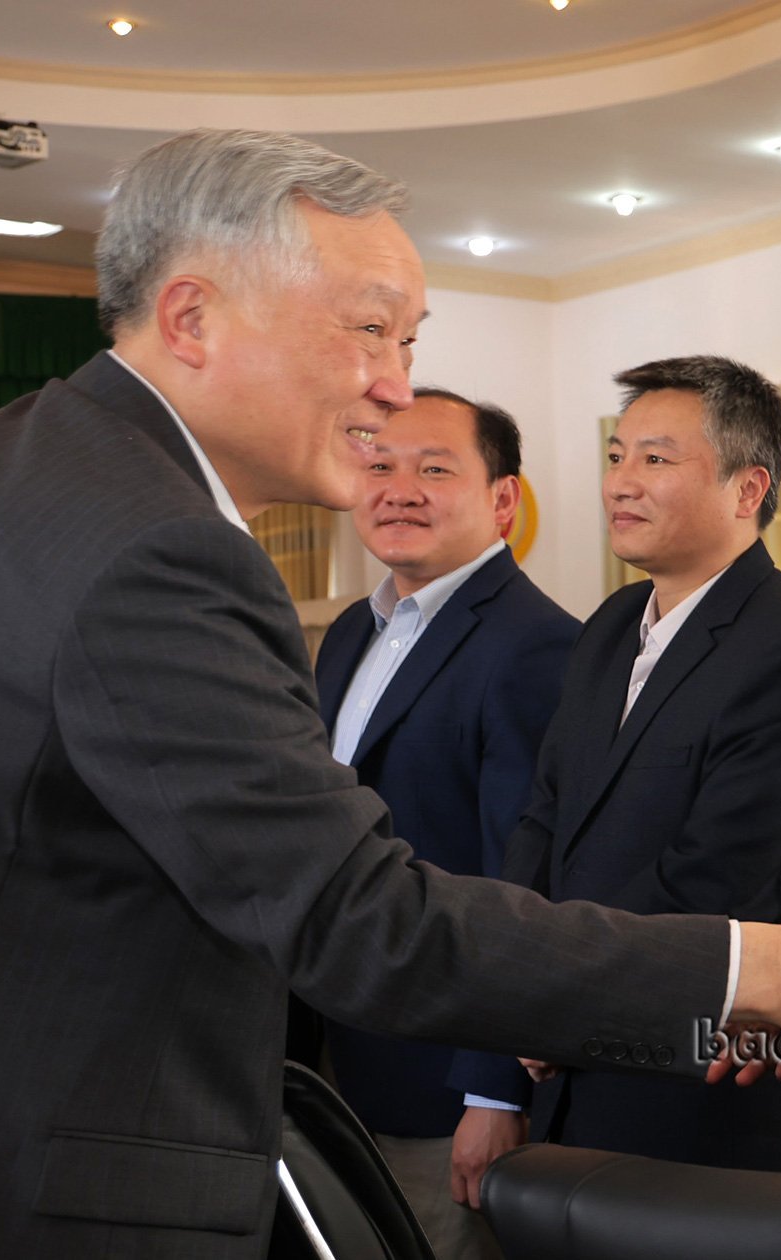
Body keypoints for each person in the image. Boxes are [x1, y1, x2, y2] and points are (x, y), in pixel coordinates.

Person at [0, 128, 781, 1258]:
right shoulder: (164, 550)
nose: (394, 388)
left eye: (408, 340)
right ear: (191, 319)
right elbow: (361, 917)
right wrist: (769, 967)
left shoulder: (10, 459)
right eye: (370, 331)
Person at [505, 355, 781, 1172]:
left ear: (747, 489)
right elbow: (544, 817)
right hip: (564, 1066)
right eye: (616, 456)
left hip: (692, 1094)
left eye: (656, 459)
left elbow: (719, 879)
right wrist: (519, 985)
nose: (621, 483)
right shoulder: (608, 627)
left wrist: (557, 997)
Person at [312, 387, 579, 1255]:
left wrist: (496, 1092)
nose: (399, 489)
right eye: (380, 465)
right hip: (334, 1064)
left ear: (504, 500)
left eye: (434, 469)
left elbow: (525, 878)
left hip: (443, 1084)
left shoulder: (536, 645)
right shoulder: (355, 629)